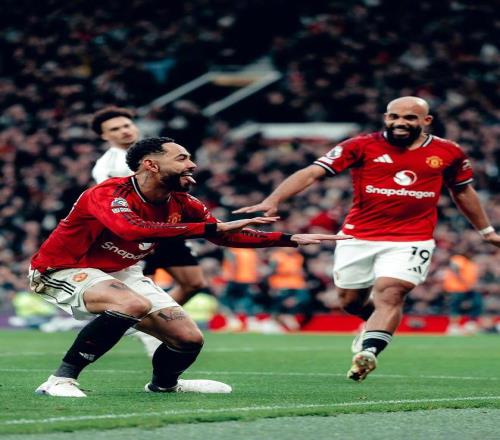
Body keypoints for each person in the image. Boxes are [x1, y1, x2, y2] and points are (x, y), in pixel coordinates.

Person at [29, 136, 347, 397]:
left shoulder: (185, 203)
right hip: (62, 268)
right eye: (181, 158)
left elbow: (224, 236)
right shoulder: (108, 193)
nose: (192, 164)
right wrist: (211, 228)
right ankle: (59, 379)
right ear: (151, 164)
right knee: (131, 304)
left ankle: (165, 385)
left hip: (121, 272)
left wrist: (289, 239)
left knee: (188, 338)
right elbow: (132, 229)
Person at [235, 96, 500, 382]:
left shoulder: (448, 152)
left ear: (426, 121)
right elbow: (312, 172)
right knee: (350, 302)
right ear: (386, 118)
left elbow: (462, 191)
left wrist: (486, 231)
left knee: (391, 292)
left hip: (412, 238)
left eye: (409, 118)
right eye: (394, 116)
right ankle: (373, 325)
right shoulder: (360, 145)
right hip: (358, 236)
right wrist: (274, 199)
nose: (400, 122)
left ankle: (369, 351)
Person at [91, 107, 210, 356]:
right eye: (115, 129)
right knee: (145, 288)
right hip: (142, 232)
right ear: (104, 136)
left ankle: (148, 324)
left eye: (126, 125)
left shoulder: (162, 150)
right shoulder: (106, 167)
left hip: (169, 226)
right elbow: (113, 204)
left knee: (194, 283)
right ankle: (152, 329)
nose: (124, 131)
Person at [442, 253, 482, 335]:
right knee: (455, 307)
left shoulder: (471, 263)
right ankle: (453, 327)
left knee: (477, 304)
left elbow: (473, 277)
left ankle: (471, 324)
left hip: (468, 288)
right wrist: (466, 283)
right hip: (456, 288)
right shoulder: (458, 258)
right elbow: (455, 270)